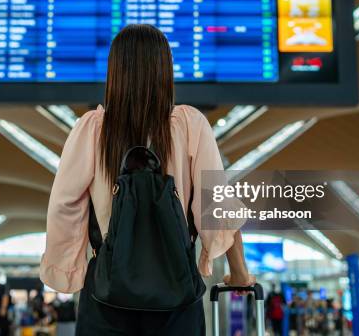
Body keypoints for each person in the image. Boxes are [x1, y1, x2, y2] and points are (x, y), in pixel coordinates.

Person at [40, 24, 255, 335]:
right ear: (164, 69)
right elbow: (217, 207)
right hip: (176, 295)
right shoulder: (189, 125)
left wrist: (68, 272)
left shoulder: (92, 129)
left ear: (115, 72)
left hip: (106, 296)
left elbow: (64, 206)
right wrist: (239, 273)